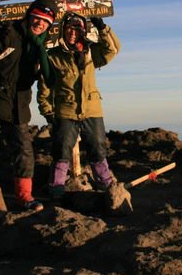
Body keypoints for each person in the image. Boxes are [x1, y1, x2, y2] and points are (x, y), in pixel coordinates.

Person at [0, 0, 58, 215]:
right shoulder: (9, 32)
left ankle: (25, 196)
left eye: (46, 21)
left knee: (24, 150)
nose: (40, 23)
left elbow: (48, 76)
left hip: (17, 104)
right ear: (30, 15)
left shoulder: (41, 45)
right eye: (37, 18)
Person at [37, 12, 120, 198]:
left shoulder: (91, 52)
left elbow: (113, 49)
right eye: (69, 29)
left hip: (92, 110)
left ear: (83, 31)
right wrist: (47, 110)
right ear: (63, 31)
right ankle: (57, 187)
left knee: (97, 147)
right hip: (66, 111)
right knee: (62, 149)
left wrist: (103, 28)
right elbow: (44, 85)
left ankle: (105, 184)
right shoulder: (53, 57)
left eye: (77, 29)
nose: (72, 33)